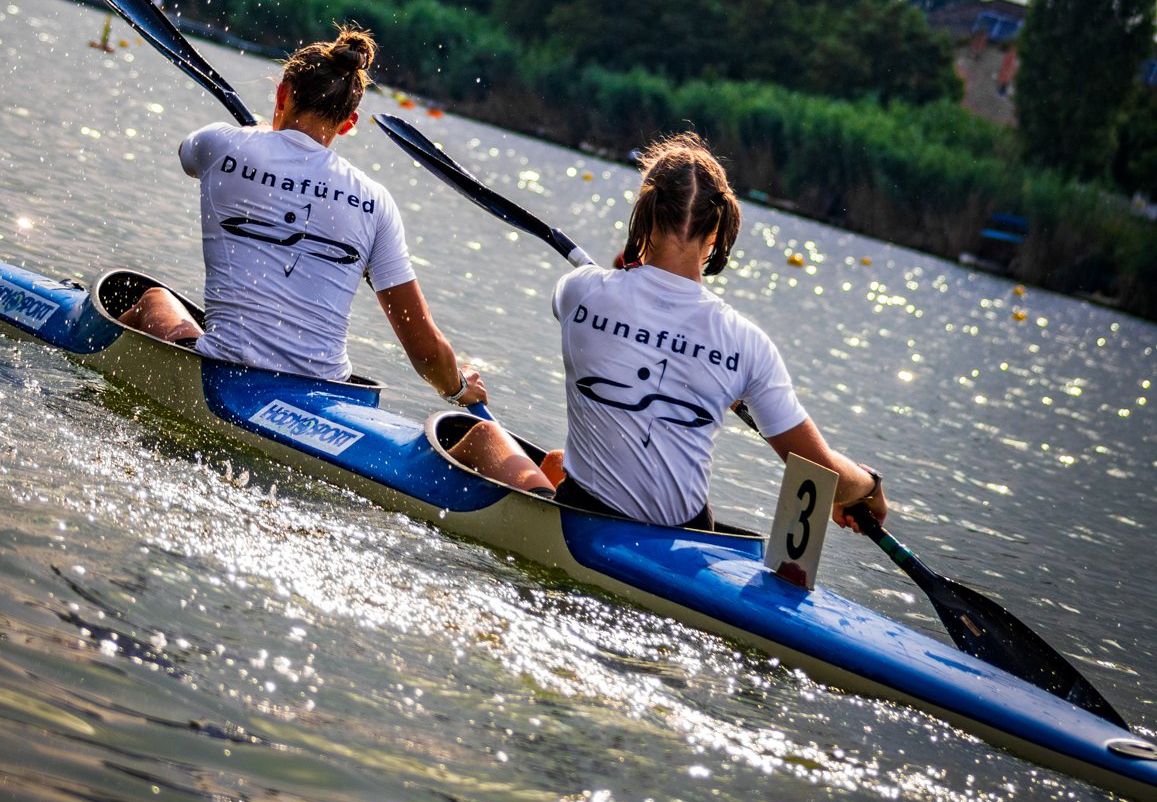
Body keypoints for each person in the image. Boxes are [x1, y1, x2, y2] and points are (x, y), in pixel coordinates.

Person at [120, 26, 498, 420]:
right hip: (330, 397)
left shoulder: (220, 144)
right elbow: (425, 351)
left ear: (282, 93)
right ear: (349, 123)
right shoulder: (376, 202)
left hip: (227, 376)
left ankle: (91, 346)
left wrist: (262, 134)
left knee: (153, 299)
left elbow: (187, 155)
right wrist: (457, 389)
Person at [529, 132, 890, 531]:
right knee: (555, 462)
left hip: (586, 511)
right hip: (688, 533)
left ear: (645, 214)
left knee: (486, 439)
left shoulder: (577, 290)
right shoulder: (747, 344)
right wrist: (867, 486)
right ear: (717, 234)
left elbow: (632, 331)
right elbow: (822, 474)